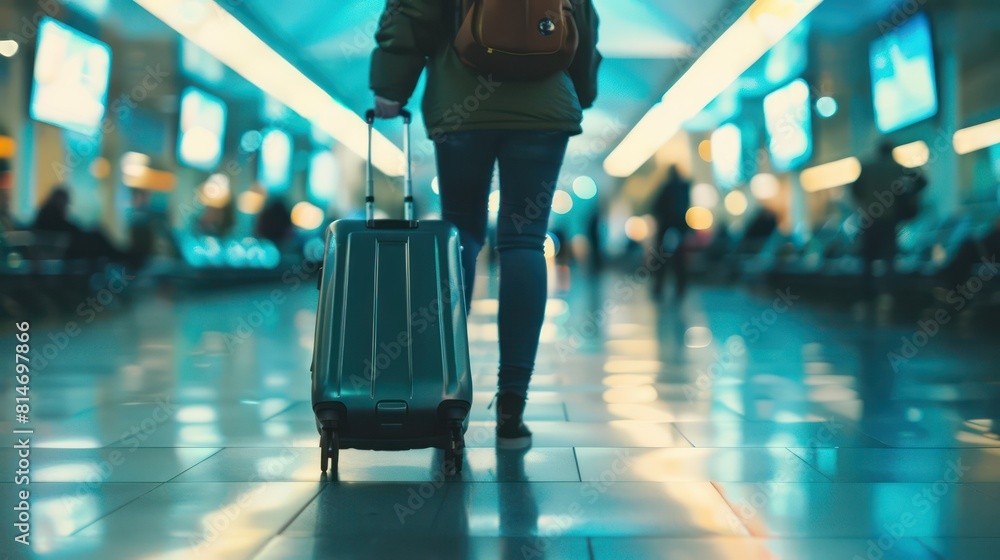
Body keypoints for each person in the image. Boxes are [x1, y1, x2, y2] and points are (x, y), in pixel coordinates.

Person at [370, 0, 601, 448]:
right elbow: (585, 20)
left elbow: (411, 13)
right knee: (525, 242)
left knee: (460, 234)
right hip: (544, 105)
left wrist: (390, 85)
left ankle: (444, 397)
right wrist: (581, 89)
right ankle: (512, 404)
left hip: (462, 106)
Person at [851, 141, 927, 301]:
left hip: (870, 218)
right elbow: (922, 181)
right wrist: (909, 196)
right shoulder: (896, 168)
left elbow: (855, 190)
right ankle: (890, 295)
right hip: (889, 219)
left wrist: (865, 201)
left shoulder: (867, 167)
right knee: (889, 258)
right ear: (891, 152)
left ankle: (868, 295)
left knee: (868, 259)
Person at [32, 186, 129, 263]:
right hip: (65, 249)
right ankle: (121, 257)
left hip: (67, 247)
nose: (66, 206)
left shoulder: (47, 212)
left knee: (97, 237)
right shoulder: (51, 214)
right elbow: (67, 229)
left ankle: (120, 256)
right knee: (97, 238)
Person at [651, 165, 691, 298]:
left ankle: (659, 288)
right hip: (678, 230)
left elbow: (655, 207)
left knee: (662, 260)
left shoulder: (666, 188)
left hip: (666, 230)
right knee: (679, 262)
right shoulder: (684, 189)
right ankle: (680, 289)